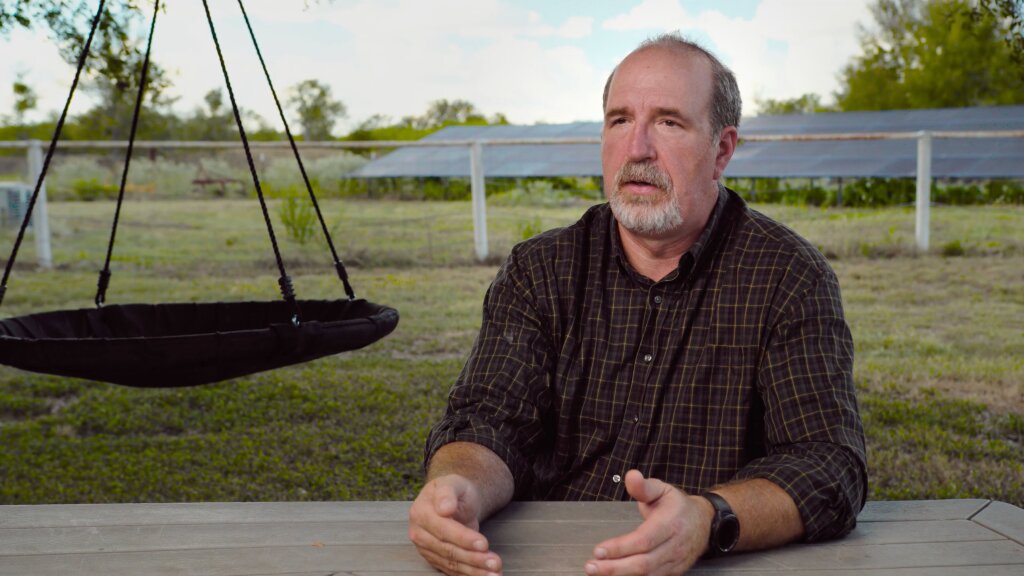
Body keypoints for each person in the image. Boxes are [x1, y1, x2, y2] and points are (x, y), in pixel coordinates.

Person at [408, 33, 866, 576]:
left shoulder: (787, 277)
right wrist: (457, 486)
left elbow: (827, 464)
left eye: (669, 122)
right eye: (620, 120)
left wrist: (708, 518)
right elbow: (488, 422)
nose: (638, 149)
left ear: (721, 150)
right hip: (533, 561)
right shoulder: (541, 269)